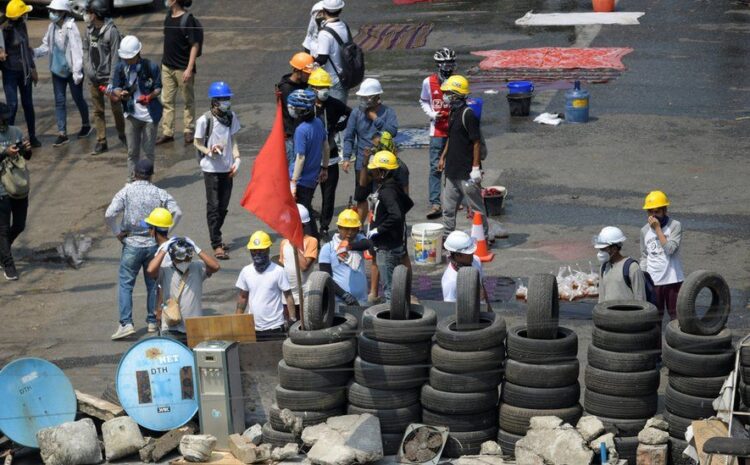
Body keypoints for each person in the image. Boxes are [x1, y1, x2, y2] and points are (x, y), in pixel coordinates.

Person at [104, 160, 182, 340]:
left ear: (134, 174)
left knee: (126, 284)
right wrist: (165, 231)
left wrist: (117, 232)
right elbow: (177, 212)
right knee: (153, 283)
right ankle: (152, 321)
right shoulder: (159, 193)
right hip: (153, 244)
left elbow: (109, 214)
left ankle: (126, 323)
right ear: (151, 175)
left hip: (131, 242)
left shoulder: (126, 191)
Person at [438, 75, 489, 240]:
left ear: (456, 94)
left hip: (467, 172)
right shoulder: (453, 112)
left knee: (476, 209)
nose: (445, 96)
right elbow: (451, 137)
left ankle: (483, 238)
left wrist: (475, 168)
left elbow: (476, 143)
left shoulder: (468, 115)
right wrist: (443, 157)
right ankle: (447, 237)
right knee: (448, 208)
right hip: (452, 171)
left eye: (448, 93)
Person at [194, 81, 241, 260]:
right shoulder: (204, 120)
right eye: (222, 99)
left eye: (227, 99)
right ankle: (216, 244)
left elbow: (233, 140)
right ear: (214, 101)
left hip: (227, 168)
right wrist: (209, 152)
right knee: (213, 206)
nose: (226, 102)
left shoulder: (231, 117)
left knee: (223, 206)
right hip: (211, 169)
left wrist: (237, 159)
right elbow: (197, 142)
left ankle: (217, 235)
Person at [34, 0, 90, 147]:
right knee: (59, 102)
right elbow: (46, 45)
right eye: (51, 11)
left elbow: (77, 50)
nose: (52, 14)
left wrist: (77, 72)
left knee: (78, 98)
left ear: (63, 13)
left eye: (55, 11)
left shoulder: (71, 27)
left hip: (71, 71)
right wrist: (34, 52)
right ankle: (62, 133)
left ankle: (86, 124)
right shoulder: (52, 27)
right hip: (57, 71)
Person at [342, 78, 398, 220]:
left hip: (383, 163)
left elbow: (392, 131)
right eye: (362, 97)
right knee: (361, 196)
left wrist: (375, 118)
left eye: (366, 97)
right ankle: (359, 228)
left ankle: (377, 223)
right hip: (363, 162)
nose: (363, 100)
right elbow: (349, 136)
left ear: (375, 97)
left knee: (381, 195)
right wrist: (347, 158)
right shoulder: (356, 113)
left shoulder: (388, 112)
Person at [146, 235, 220, 342]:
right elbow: (150, 270)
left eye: (187, 257)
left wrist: (196, 248)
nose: (184, 261)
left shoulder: (197, 267)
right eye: (180, 258)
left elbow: (215, 267)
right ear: (172, 257)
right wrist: (164, 249)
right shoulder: (165, 270)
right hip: (171, 327)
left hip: (195, 328)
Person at [112, 35, 163, 182]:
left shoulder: (151, 67)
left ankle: (147, 182)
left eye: (129, 58)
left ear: (137, 54)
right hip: (131, 115)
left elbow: (158, 87)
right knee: (132, 151)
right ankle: (131, 181)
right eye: (125, 58)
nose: (126, 61)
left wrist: (150, 97)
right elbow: (116, 87)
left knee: (148, 153)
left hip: (149, 117)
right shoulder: (121, 67)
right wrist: (120, 93)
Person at [308, 67, 351, 237]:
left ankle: (324, 227)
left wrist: (340, 126)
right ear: (312, 88)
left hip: (331, 158)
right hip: (311, 159)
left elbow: (351, 113)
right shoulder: (306, 105)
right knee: (307, 194)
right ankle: (309, 227)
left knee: (329, 194)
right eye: (320, 88)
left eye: (326, 87)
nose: (324, 91)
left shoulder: (333, 104)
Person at [366, 151, 413, 302]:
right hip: (395, 243)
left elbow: (396, 215)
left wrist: (379, 229)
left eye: (375, 170)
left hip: (387, 247)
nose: (372, 172)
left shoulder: (387, 192)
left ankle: (392, 321)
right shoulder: (394, 187)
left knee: (389, 291)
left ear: (383, 172)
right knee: (395, 287)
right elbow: (407, 204)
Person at [83, 0, 126, 155]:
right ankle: (101, 141)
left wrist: (112, 82)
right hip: (93, 79)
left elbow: (116, 57)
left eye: (89, 12)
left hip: (110, 79)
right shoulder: (88, 30)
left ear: (96, 14)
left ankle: (122, 134)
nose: (87, 15)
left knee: (116, 109)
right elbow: (85, 50)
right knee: (98, 111)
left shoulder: (111, 31)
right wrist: (89, 70)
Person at [235, 231, 296, 340]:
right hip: (253, 327)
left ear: (268, 249)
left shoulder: (278, 271)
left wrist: (292, 320)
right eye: (254, 251)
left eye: (261, 251)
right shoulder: (246, 271)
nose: (257, 254)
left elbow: (288, 296)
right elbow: (243, 297)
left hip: (275, 327)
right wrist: (237, 322)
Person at [157, 0, 202, 146]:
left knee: (187, 100)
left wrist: (189, 68)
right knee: (167, 101)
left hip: (183, 69)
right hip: (167, 67)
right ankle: (167, 132)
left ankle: (188, 130)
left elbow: (195, 45)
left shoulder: (187, 19)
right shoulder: (168, 15)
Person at [420, 47, 456, 219]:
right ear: (439, 64)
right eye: (445, 63)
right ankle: (435, 203)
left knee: (453, 168)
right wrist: (433, 114)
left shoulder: (458, 81)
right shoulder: (429, 82)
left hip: (455, 129)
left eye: (451, 63)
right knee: (436, 168)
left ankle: (453, 200)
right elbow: (424, 101)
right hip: (437, 131)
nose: (448, 66)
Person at [288, 88, 328, 237]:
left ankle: (312, 240)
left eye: (293, 107)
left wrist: (293, 181)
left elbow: (300, 157)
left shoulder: (301, 130)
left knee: (303, 211)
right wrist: (324, 168)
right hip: (313, 177)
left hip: (302, 180)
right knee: (307, 208)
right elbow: (326, 146)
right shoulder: (318, 122)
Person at [1, 0, 41, 147]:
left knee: (28, 105)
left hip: (24, 73)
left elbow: (27, 49)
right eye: (24, 13)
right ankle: (9, 140)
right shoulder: (4, 31)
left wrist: (33, 68)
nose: (26, 15)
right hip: (10, 73)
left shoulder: (22, 26)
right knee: (12, 105)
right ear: (18, 15)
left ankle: (32, 136)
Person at [0, 102, 32, 281]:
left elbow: (26, 157)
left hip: (19, 186)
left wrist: (26, 150)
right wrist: (5, 153)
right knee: (2, 230)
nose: (4, 121)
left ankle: (2, 251)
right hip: (1, 189)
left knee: (19, 225)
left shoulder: (16, 132)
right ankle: (8, 263)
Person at [640, 190, 684, 321]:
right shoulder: (644, 231)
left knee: (676, 319)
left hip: (673, 280)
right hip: (654, 282)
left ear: (665, 211)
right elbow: (644, 255)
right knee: (654, 320)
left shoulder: (675, 226)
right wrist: (644, 278)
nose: (653, 215)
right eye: (650, 212)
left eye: (657, 211)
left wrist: (658, 229)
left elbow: (671, 249)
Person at [319, 209, 368, 305]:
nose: (350, 232)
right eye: (346, 229)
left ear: (358, 230)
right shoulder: (328, 248)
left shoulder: (359, 241)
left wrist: (349, 247)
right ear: (339, 228)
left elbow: (368, 244)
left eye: (354, 229)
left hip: (362, 301)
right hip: (339, 302)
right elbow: (325, 278)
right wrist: (344, 295)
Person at [278, 205, 319, 315]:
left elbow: (304, 267)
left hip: (305, 297)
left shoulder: (311, 241)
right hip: (288, 298)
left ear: (303, 225)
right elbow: (283, 268)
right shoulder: (283, 243)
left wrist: (294, 244)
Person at [278, 52, 314, 167]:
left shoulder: (303, 83)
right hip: (292, 136)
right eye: (307, 73)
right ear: (298, 71)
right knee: (294, 169)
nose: (309, 76)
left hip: (303, 132)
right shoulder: (286, 89)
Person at [595, 226, 646, 303]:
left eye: (604, 249)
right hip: (609, 314)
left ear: (614, 249)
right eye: (600, 249)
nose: (600, 252)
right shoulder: (603, 268)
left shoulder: (632, 267)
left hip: (627, 314)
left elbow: (640, 297)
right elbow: (601, 298)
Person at [313, 0, 350, 103]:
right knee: (341, 110)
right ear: (340, 10)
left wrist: (313, 64)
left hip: (333, 78)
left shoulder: (325, 33)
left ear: (324, 10)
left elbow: (322, 58)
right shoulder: (344, 26)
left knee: (334, 113)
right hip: (345, 75)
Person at [441, 231, 489, 304]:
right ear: (457, 255)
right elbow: (450, 309)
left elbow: (481, 284)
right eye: (469, 253)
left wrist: (488, 307)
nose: (473, 253)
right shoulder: (451, 282)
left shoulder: (475, 260)